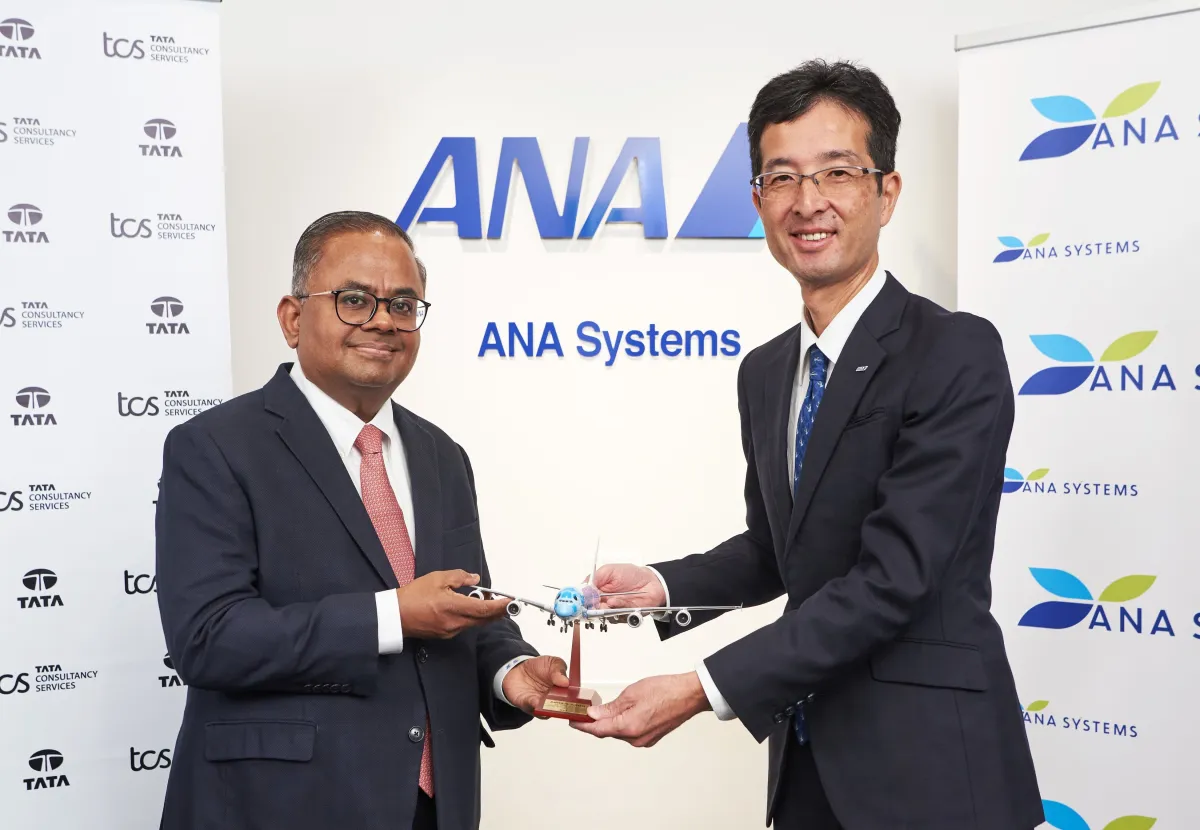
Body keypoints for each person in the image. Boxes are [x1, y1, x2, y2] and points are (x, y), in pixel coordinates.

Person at [573, 60, 1044, 830]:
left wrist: (699, 688)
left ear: (886, 193)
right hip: (806, 762)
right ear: (758, 199)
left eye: (837, 172)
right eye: (782, 178)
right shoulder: (765, 372)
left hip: (930, 771)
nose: (807, 200)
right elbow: (777, 550)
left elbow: (894, 578)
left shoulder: (954, 351)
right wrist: (661, 587)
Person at [154, 210, 568, 830]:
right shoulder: (214, 446)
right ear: (292, 319)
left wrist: (510, 672)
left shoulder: (443, 455)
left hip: (435, 806)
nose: (382, 321)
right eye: (354, 300)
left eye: (403, 305)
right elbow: (209, 639)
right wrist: (392, 615)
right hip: (280, 807)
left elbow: (462, 609)